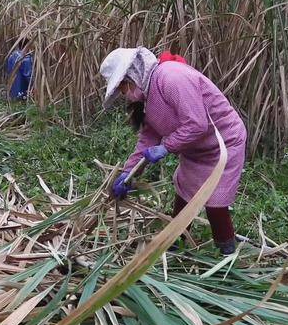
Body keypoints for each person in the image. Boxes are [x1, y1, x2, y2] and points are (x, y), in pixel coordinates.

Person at [99, 47, 247, 255]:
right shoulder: (148, 97)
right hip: (195, 149)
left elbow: (197, 124)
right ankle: (176, 243)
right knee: (184, 191)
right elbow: (147, 140)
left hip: (224, 143)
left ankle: (227, 253)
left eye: (123, 88)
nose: (126, 95)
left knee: (215, 200)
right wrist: (128, 173)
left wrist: (166, 147)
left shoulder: (170, 77)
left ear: (132, 75)